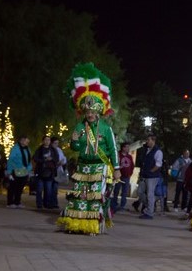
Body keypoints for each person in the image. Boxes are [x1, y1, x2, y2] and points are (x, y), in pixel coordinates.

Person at [56, 63, 121, 235]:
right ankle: (77, 223)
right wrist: (74, 142)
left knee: (96, 197)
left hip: (100, 168)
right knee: (81, 196)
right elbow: (75, 148)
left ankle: (93, 225)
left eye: (93, 111)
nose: (90, 114)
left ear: (99, 112)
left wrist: (117, 169)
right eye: (88, 112)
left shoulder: (106, 129)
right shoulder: (79, 127)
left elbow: (113, 150)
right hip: (83, 167)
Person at [137, 134, 164, 219]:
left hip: (152, 176)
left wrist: (151, 171)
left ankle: (149, 212)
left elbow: (158, 164)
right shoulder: (146, 150)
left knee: (150, 194)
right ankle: (151, 203)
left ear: (153, 141)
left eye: (148, 140)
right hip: (144, 175)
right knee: (140, 192)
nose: (147, 142)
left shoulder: (158, 151)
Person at [4, 135, 33, 208]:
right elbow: (11, 160)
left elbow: (29, 160)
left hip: (24, 171)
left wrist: (29, 169)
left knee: (20, 187)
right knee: (13, 187)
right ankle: (10, 202)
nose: (28, 142)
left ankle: (17, 202)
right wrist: (9, 171)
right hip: (15, 170)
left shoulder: (27, 149)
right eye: (26, 141)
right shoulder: (15, 148)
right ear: (22, 141)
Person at [33, 135, 59, 209]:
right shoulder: (40, 149)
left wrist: (51, 159)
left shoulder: (53, 150)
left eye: (48, 140)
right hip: (40, 172)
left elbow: (56, 159)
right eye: (46, 140)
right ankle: (39, 204)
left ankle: (47, 204)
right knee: (39, 189)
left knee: (48, 190)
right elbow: (35, 158)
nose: (47, 141)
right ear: (43, 141)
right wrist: (44, 160)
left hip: (50, 172)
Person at [111, 142, 134, 212]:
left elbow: (132, 165)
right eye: (126, 147)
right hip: (119, 176)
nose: (128, 149)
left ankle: (122, 206)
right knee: (116, 190)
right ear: (123, 148)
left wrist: (130, 173)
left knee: (125, 192)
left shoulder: (129, 156)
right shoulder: (118, 155)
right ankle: (114, 204)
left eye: (128, 147)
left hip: (127, 176)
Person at [50, 136, 67, 208]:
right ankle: (49, 203)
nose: (56, 145)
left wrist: (62, 162)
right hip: (51, 171)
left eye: (57, 143)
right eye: (55, 143)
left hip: (58, 171)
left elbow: (63, 158)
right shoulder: (49, 150)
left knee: (55, 188)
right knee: (49, 188)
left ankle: (54, 203)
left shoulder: (59, 150)